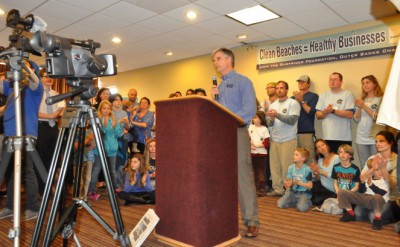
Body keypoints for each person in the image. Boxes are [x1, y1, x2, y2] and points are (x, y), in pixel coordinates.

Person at [211, 47, 259, 238]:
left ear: (229, 59)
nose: (215, 63)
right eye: (214, 60)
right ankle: (223, 219)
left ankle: (252, 221)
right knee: (221, 178)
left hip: (237, 132)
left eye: (218, 58)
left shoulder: (243, 82)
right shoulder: (219, 87)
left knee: (243, 178)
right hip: (219, 136)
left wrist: (227, 120)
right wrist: (212, 99)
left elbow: (249, 110)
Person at [0, 60, 43, 221]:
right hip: (9, 134)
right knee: (10, 172)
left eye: (24, 64)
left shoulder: (35, 88)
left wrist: (23, 66)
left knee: (27, 172)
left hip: (27, 134)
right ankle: (10, 207)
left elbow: (34, 80)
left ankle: (33, 208)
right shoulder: (11, 86)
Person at [266, 81, 300, 197]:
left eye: (282, 88)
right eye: (277, 88)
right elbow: (269, 123)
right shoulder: (273, 105)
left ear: (286, 90)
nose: (279, 90)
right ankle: (278, 189)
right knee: (275, 167)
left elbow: (292, 120)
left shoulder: (293, 103)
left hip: (288, 139)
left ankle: (288, 190)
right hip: (275, 139)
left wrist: (277, 115)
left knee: (287, 167)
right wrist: (271, 119)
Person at [337, 152, 389, 230]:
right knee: (342, 192)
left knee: (377, 197)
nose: (380, 172)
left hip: (378, 200)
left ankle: (377, 220)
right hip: (365, 198)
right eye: (377, 170)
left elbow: (382, 193)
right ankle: (350, 214)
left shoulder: (385, 180)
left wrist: (371, 185)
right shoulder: (369, 178)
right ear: (372, 171)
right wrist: (362, 183)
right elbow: (361, 191)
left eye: (381, 170)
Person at [359, 131, 399, 227]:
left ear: (390, 143)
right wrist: (373, 169)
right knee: (358, 214)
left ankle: (394, 215)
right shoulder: (373, 158)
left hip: (391, 198)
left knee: (373, 217)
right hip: (372, 196)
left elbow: (393, 185)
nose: (377, 144)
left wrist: (384, 170)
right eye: (376, 141)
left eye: (381, 141)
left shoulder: (397, 160)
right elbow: (361, 179)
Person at [35, 70, 65, 195]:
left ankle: (49, 186)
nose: (49, 78)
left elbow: (62, 110)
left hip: (54, 128)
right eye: (46, 76)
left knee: (54, 159)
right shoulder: (36, 94)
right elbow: (33, 112)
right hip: (41, 127)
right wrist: (51, 115)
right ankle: (41, 190)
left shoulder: (56, 94)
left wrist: (58, 113)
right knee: (41, 159)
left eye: (51, 76)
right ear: (40, 78)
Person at [87, 100, 122, 201]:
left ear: (110, 109)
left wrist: (115, 126)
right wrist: (105, 126)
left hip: (112, 149)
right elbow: (96, 132)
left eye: (108, 108)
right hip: (99, 149)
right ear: (100, 109)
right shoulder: (97, 119)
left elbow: (118, 134)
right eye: (104, 108)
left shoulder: (114, 120)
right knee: (96, 170)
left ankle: (114, 189)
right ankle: (91, 191)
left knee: (112, 170)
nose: (106, 110)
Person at [316, 72, 355, 153]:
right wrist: (326, 112)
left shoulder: (347, 94)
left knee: (343, 162)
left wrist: (333, 111)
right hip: (327, 137)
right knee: (329, 162)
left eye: (335, 79)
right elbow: (318, 115)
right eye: (331, 79)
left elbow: (350, 114)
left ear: (341, 82)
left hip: (343, 137)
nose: (332, 81)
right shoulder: (323, 95)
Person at [354, 75, 385, 169]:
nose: (365, 85)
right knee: (364, 163)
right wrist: (359, 107)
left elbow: (378, 117)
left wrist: (363, 106)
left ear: (374, 84)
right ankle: (366, 183)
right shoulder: (362, 99)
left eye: (367, 82)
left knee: (376, 163)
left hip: (375, 136)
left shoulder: (380, 98)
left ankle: (376, 183)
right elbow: (356, 119)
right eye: (363, 83)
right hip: (361, 136)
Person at [292, 75, 319, 164]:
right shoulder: (292, 98)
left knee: (308, 158)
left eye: (303, 82)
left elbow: (311, 112)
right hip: (292, 133)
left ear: (309, 84)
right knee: (295, 160)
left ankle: (310, 178)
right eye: (299, 82)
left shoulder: (313, 96)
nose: (300, 83)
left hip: (306, 132)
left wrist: (301, 101)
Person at [277, 147, 313, 212]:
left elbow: (310, 185)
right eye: (294, 154)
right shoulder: (291, 167)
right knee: (280, 204)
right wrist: (287, 183)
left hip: (304, 193)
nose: (294, 156)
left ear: (303, 158)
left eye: (296, 155)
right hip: (293, 192)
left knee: (301, 208)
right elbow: (288, 180)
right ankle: (297, 201)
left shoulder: (307, 169)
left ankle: (307, 202)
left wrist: (299, 183)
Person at [309, 139, 340, 205]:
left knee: (315, 201)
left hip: (333, 189)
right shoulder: (319, 160)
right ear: (317, 151)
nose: (322, 148)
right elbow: (318, 178)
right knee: (310, 184)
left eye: (323, 145)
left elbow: (336, 177)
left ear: (327, 146)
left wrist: (320, 171)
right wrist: (316, 173)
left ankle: (332, 199)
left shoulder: (336, 158)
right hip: (322, 188)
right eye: (319, 147)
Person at [111, 94, 130, 191]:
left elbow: (128, 128)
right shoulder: (110, 112)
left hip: (123, 140)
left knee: (123, 162)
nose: (118, 102)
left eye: (120, 100)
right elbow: (109, 126)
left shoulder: (124, 113)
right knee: (115, 164)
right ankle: (116, 185)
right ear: (112, 101)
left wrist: (126, 123)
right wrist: (120, 121)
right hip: (113, 140)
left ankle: (123, 184)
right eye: (116, 100)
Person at [248, 111, 270, 197]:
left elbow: (267, 143)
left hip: (262, 154)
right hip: (252, 153)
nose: (254, 119)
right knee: (254, 172)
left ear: (261, 119)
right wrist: (250, 145)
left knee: (261, 172)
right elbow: (247, 137)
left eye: (256, 117)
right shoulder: (250, 127)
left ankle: (262, 189)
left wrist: (257, 145)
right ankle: (255, 189)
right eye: (253, 117)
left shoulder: (264, 129)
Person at [73, 120, 95, 202]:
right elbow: (76, 146)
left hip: (89, 158)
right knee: (79, 181)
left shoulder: (90, 131)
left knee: (87, 180)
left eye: (88, 120)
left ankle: (84, 198)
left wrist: (92, 140)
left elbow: (93, 147)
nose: (87, 122)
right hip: (78, 159)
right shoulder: (75, 132)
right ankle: (77, 199)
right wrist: (88, 139)